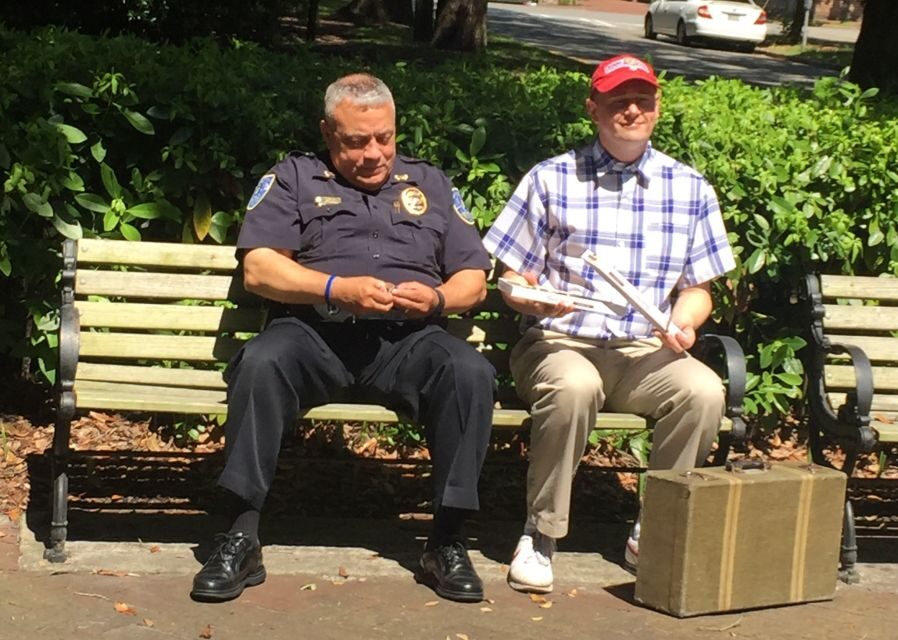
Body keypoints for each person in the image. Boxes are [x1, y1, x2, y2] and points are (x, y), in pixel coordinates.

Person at [190, 73, 496, 604]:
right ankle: (240, 536)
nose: (375, 153)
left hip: (409, 341)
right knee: (261, 362)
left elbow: (474, 277)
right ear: (328, 132)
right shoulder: (294, 179)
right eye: (357, 142)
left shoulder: (433, 184)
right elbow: (260, 271)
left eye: (385, 137)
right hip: (313, 334)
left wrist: (440, 300)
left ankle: (445, 539)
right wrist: (334, 288)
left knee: (469, 372)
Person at [483, 54, 736, 594]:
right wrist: (533, 298)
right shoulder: (551, 178)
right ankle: (541, 533)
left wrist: (684, 323)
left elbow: (697, 290)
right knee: (576, 386)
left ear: (657, 106)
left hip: (645, 351)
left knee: (704, 391)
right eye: (619, 98)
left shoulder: (690, 187)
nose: (632, 109)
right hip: (559, 343)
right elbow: (511, 277)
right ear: (593, 107)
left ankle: (656, 530)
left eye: (642, 98)